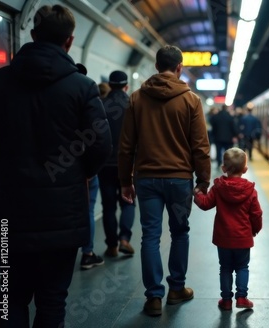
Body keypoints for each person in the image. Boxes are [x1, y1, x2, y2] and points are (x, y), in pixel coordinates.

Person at [0, 5, 112, 328]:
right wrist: (80, 172)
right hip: (62, 215)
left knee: (8, 296)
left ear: (32, 34)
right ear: (71, 41)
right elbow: (100, 143)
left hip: (9, 216)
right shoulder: (82, 87)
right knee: (52, 299)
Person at [118, 45, 211, 316]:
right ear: (179, 67)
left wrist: (126, 180)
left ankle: (154, 297)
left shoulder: (136, 98)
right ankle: (177, 288)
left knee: (150, 235)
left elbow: (126, 146)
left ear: (156, 66)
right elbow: (200, 146)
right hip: (180, 180)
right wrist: (203, 178)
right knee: (180, 232)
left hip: (146, 179)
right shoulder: (191, 100)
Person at [193, 147, 263, 310]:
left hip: (223, 238)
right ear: (245, 169)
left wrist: (197, 193)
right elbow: (257, 214)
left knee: (225, 268)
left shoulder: (218, 188)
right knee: (242, 267)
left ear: (224, 168)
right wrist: (255, 229)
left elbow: (205, 204)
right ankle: (242, 298)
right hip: (243, 238)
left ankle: (226, 300)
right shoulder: (250, 191)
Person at [99, 70, 136, 257]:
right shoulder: (133, 104)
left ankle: (111, 246)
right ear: (126, 86)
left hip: (104, 164)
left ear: (110, 85)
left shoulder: (100, 105)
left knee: (108, 207)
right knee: (128, 202)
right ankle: (124, 239)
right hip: (128, 164)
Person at [76, 64, 105, 270]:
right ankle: (87, 252)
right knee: (87, 209)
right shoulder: (87, 97)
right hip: (84, 167)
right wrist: (91, 168)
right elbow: (101, 139)